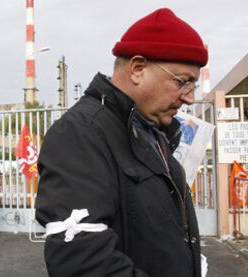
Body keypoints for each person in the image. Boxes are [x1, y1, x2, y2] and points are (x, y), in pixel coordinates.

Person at [35, 8, 208, 277]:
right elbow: (81, 261)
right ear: (138, 69)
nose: (189, 98)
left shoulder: (152, 131)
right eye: (183, 82)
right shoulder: (81, 133)